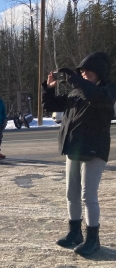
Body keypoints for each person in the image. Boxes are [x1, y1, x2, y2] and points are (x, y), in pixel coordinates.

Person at [42, 52, 116, 255]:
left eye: (87, 71)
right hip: (74, 148)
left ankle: (93, 239)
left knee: (88, 195)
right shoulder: (77, 92)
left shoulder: (108, 91)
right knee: (71, 193)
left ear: (99, 72)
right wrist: (49, 88)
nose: (84, 74)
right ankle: (75, 233)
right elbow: (51, 105)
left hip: (94, 149)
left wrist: (75, 79)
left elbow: (95, 96)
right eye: (81, 72)